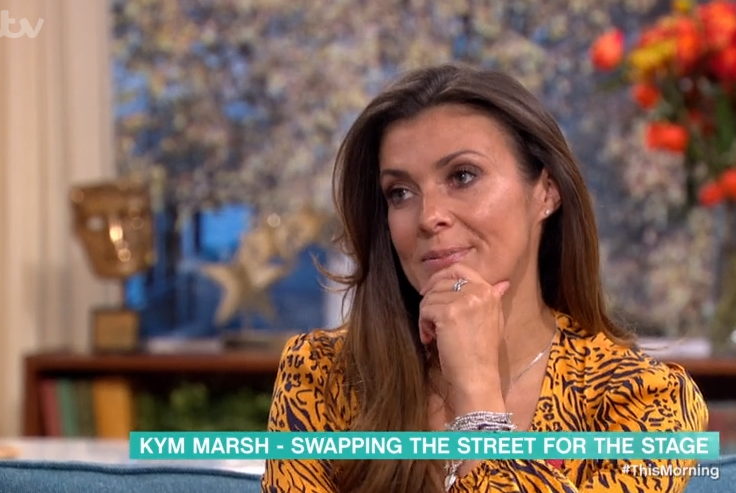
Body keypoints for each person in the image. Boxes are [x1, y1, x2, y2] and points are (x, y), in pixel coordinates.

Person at [262, 64, 708, 493]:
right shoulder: (321, 374)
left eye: (462, 176)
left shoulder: (644, 399)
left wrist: (477, 394)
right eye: (400, 192)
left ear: (546, 191)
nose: (429, 216)